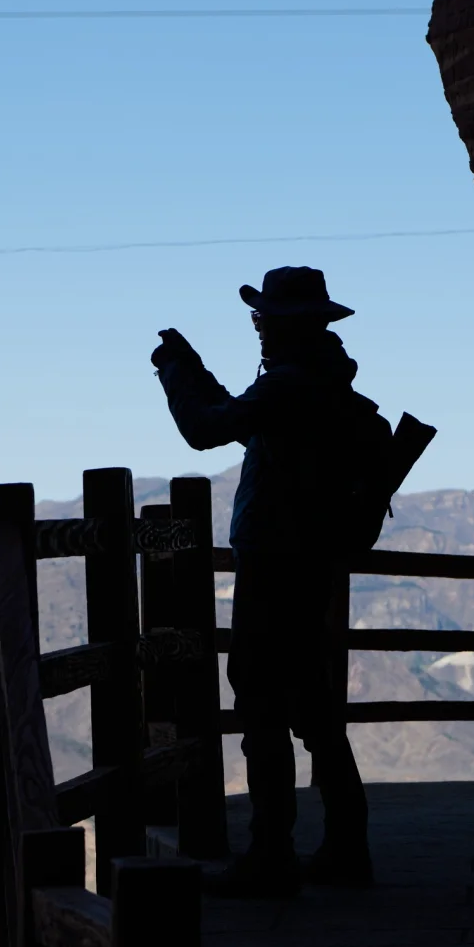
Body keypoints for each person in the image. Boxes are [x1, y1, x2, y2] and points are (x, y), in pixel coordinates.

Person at [151, 266, 392, 896]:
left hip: (275, 564)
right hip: (313, 564)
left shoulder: (289, 387)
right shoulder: (321, 386)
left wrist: (175, 371)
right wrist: (192, 369)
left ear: (283, 325)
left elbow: (206, 430)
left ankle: (271, 856)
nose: (257, 329)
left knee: (260, 702)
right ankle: (344, 851)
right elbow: (232, 414)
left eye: (263, 320)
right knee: (314, 711)